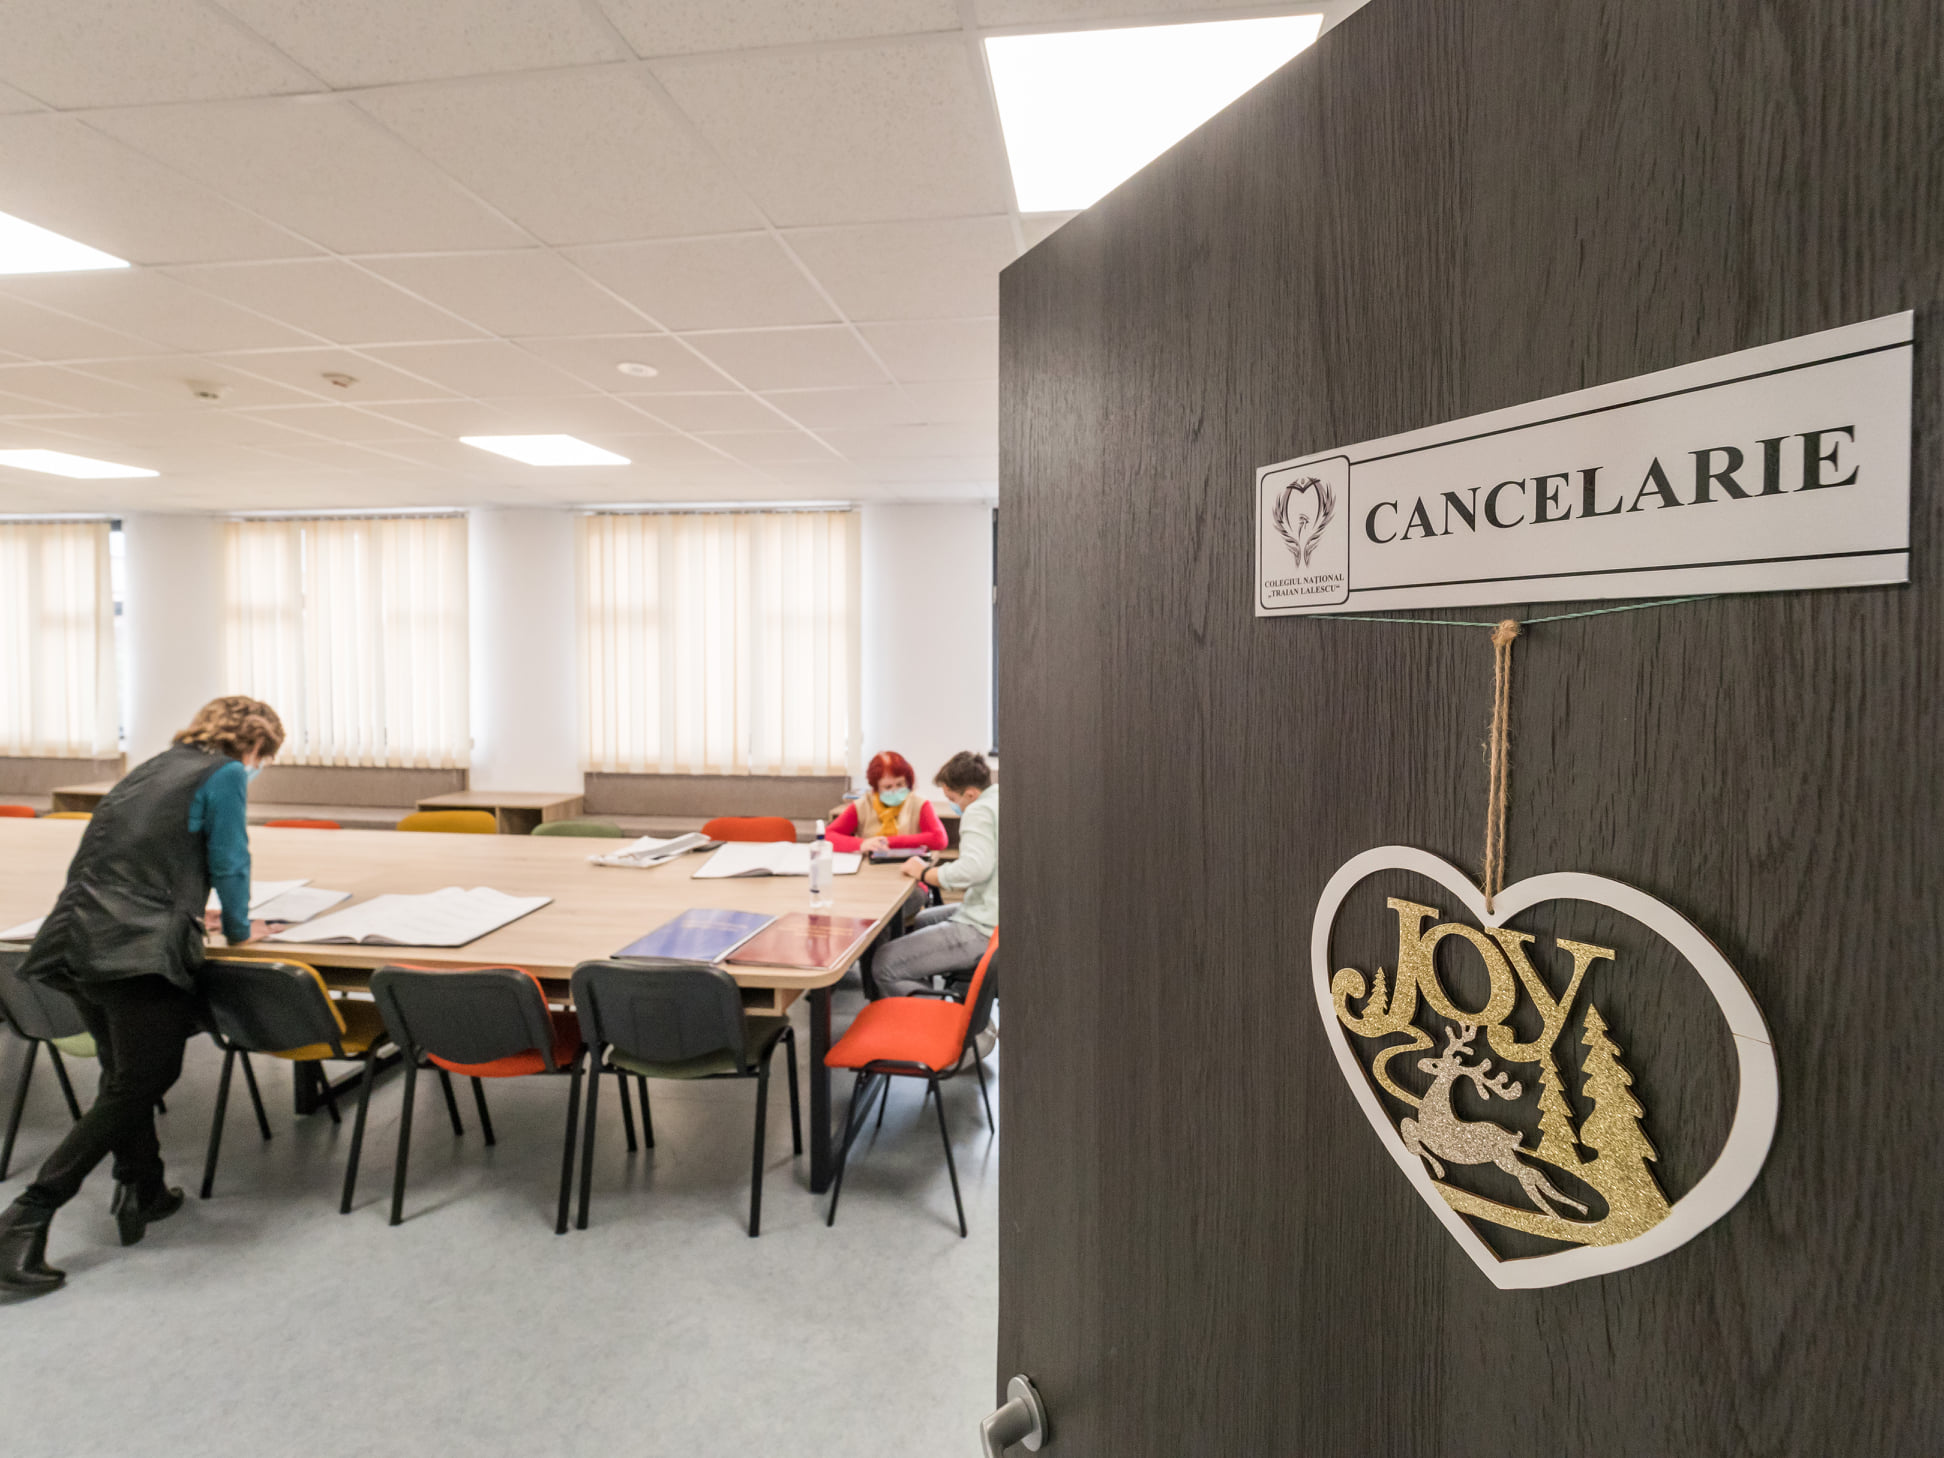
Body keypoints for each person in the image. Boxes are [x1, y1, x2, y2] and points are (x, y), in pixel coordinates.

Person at [0, 695, 284, 1295]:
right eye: (265, 756)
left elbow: (125, 857)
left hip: (78, 936)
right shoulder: (225, 773)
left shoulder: (154, 767)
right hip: (134, 949)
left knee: (124, 1078)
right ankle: (25, 1216)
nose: (260, 766)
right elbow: (230, 862)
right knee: (145, 1078)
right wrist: (238, 929)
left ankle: (143, 1188)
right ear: (256, 744)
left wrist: (184, 908)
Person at [867, 751, 998, 1003]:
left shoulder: (978, 811)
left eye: (953, 799)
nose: (955, 807)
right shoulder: (999, 797)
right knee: (924, 920)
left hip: (984, 927)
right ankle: (927, 986)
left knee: (884, 963)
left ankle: (944, 1016)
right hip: (994, 911)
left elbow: (974, 869)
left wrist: (925, 873)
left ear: (970, 794)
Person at [827, 751, 949, 856]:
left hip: (909, 866)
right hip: (871, 868)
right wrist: (862, 844)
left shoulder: (919, 804)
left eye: (900, 784)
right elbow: (828, 835)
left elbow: (939, 839)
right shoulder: (863, 805)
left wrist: (887, 841)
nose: (895, 790)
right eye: (888, 787)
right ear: (876, 788)